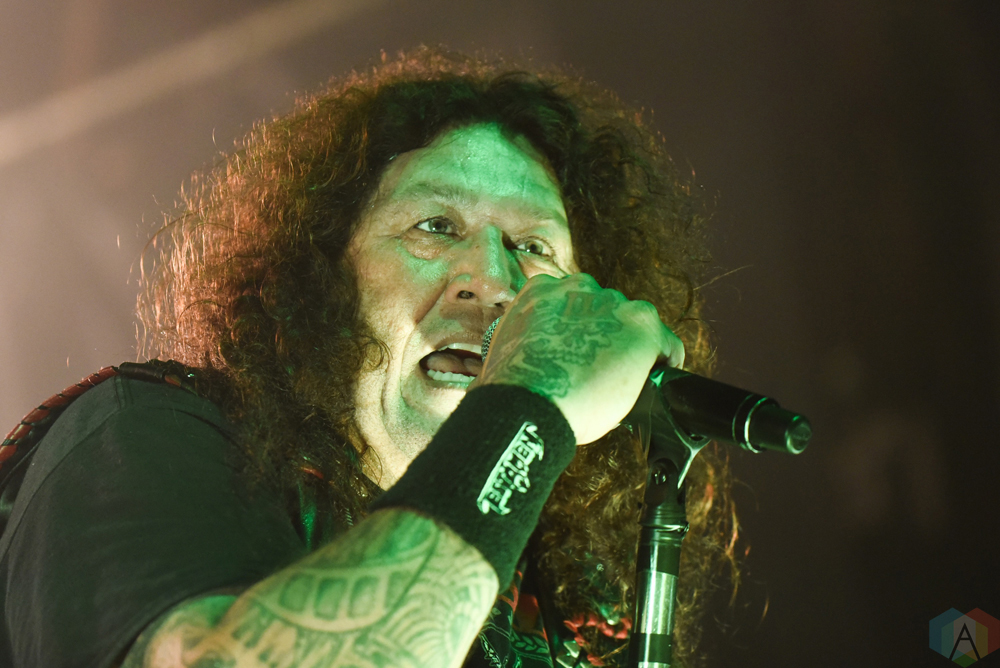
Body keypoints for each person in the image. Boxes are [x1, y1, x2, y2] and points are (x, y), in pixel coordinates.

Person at [0, 47, 738, 668]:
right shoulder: (147, 434)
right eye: (435, 225)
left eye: (532, 245)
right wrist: (531, 397)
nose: (494, 281)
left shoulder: (559, 616)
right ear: (317, 279)